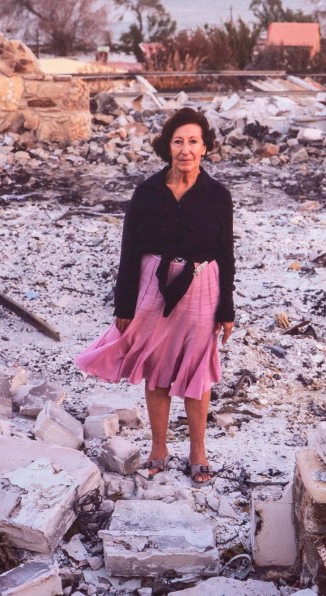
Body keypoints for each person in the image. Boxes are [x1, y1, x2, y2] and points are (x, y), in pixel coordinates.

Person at [76, 107, 235, 486]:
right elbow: (129, 250)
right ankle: (158, 449)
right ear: (168, 147)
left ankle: (198, 452)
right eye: (178, 142)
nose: (186, 149)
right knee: (157, 369)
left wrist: (226, 308)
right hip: (153, 284)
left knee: (197, 372)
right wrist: (124, 304)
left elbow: (226, 254)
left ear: (205, 147)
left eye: (193, 142)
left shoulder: (217, 196)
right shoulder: (147, 193)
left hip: (202, 286)